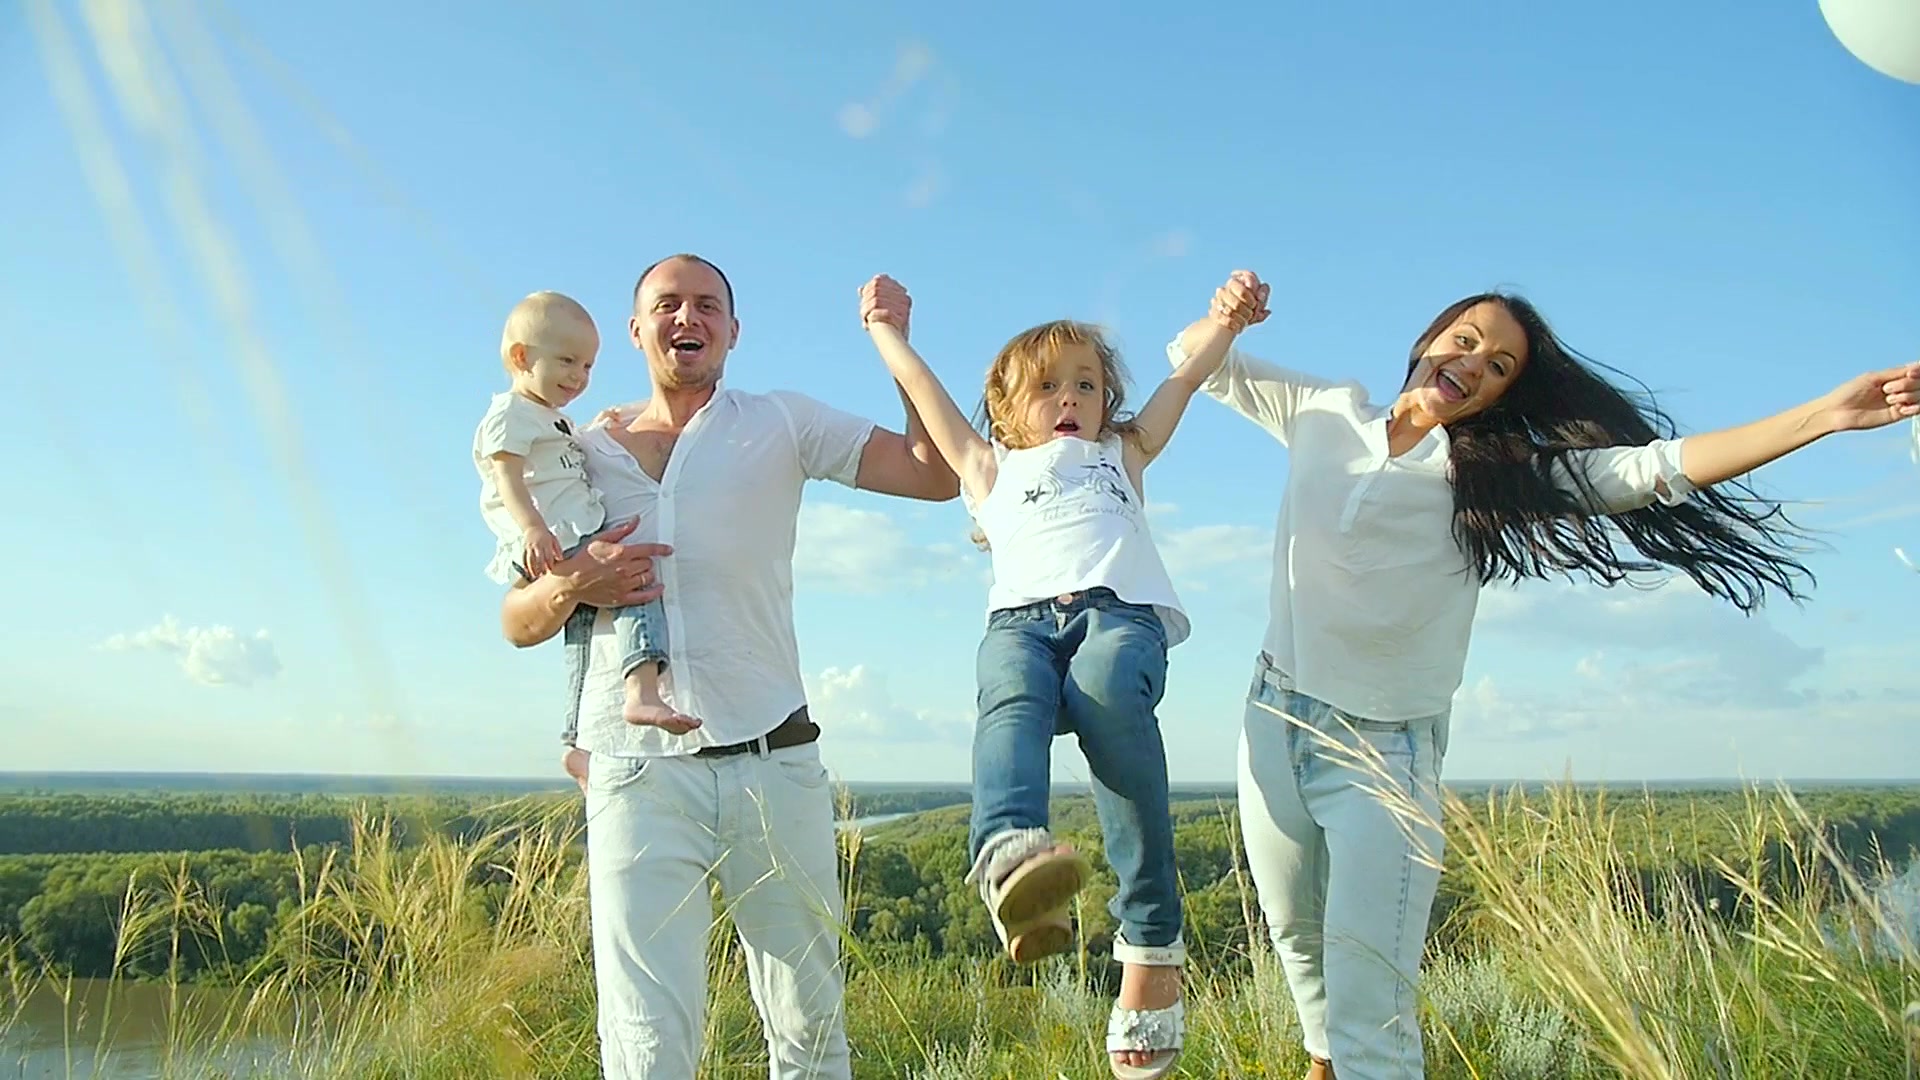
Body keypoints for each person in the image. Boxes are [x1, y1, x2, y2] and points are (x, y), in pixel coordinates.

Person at [1180, 273, 1920, 1080]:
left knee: (1373, 1005)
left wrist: (1824, 416)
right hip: (1276, 714)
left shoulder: (1497, 474)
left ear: (1502, 397)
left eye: (1499, 366)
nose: (1474, 362)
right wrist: (1226, 319)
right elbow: (1194, 359)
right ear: (1430, 339)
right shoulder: (1326, 410)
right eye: (1466, 340)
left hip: (1384, 756)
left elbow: (1650, 470)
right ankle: (1321, 1060)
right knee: (1293, 931)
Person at [499, 254, 958, 1079]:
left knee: (809, 1026)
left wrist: (892, 340)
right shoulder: (576, 448)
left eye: (707, 305)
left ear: (734, 331)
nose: (689, 318)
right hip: (636, 773)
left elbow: (935, 476)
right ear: (636, 331)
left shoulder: (780, 421)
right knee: (645, 1040)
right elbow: (516, 621)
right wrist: (577, 581)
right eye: (667, 305)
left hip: (771, 758)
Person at [859, 271, 1266, 1080]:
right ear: (1006, 411)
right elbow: (921, 389)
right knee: (1007, 697)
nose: (1070, 398)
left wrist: (1226, 322)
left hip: (1119, 616)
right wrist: (884, 329)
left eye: (1086, 383)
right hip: (1020, 622)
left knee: (1112, 691)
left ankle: (1150, 940)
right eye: (1046, 388)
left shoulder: (1124, 450)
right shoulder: (986, 466)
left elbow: (1185, 377)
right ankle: (1012, 854)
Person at [474, 290, 698, 786]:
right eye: (567, 361)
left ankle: (575, 743)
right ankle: (642, 691)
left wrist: (600, 424)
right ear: (520, 358)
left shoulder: (547, 418)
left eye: (588, 366)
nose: (578, 377)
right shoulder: (510, 413)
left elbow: (561, 455)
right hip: (555, 537)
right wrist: (533, 529)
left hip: (562, 536)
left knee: (580, 636)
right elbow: (505, 475)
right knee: (636, 582)